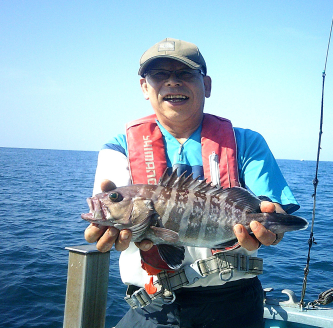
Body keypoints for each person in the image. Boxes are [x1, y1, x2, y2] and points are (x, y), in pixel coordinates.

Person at [84, 38, 300, 327]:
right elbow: (113, 211)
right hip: (152, 304)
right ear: (144, 87)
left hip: (234, 303)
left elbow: (273, 211)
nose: (172, 82)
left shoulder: (246, 143)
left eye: (185, 74)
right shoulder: (118, 149)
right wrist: (106, 224)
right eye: (159, 75)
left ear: (207, 85)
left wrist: (272, 225)